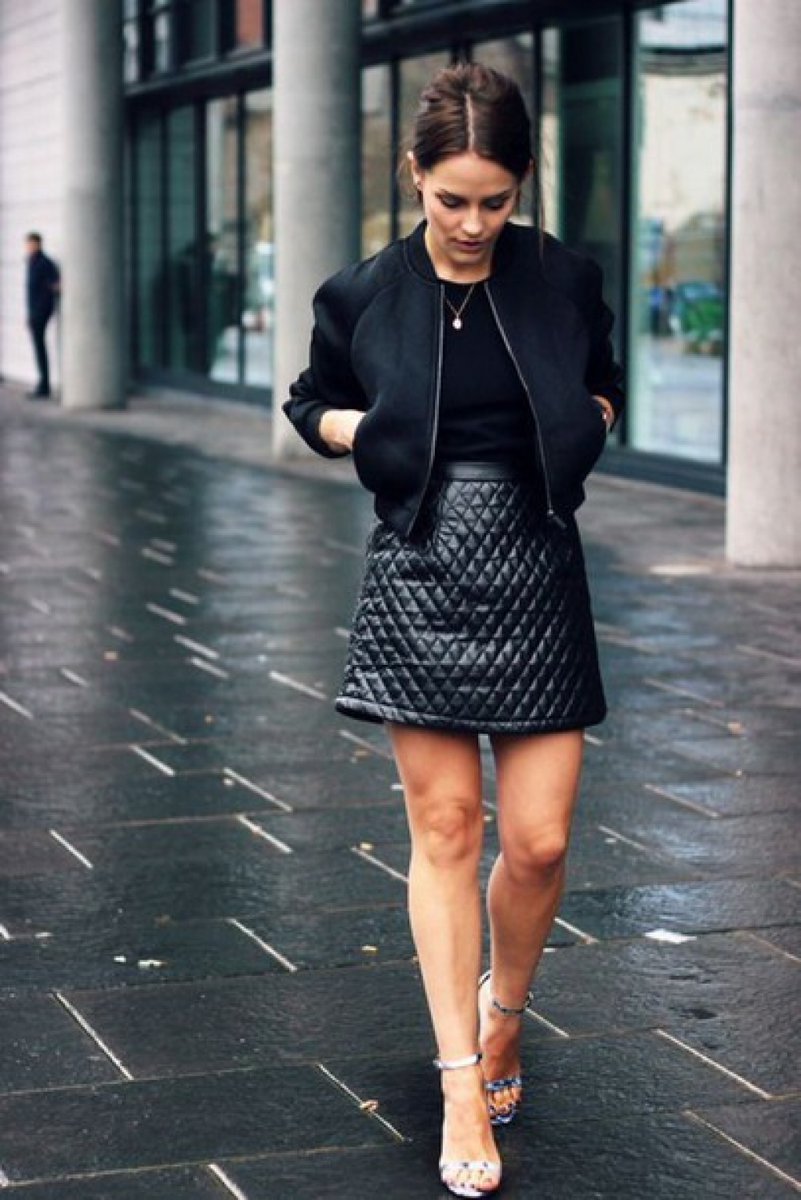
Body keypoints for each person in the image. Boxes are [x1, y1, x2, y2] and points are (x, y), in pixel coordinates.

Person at [284, 63, 624, 1198]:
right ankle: (460, 1081)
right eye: (451, 199)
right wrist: (359, 428)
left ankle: (505, 1014)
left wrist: (590, 420)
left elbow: (603, 381)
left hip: (535, 561)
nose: (474, 223)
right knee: (446, 831)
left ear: (521, 181)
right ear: (413, 176)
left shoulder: (564, 277)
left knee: (539, 842)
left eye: (495, 200)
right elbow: (308, 401)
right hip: (421, 566)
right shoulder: (364, 292)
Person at [24, 232, 60, 399]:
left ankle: (44, 385)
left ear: (39, 244)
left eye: (32, 244)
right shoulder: (31, 262)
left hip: (42, 310)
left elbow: (55, 284)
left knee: (40, 347)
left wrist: (43, 306)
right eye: (28, 244)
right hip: (34, 311)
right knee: (38, 347)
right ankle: (43, 383)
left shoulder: (45, 263)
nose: (29, 247)